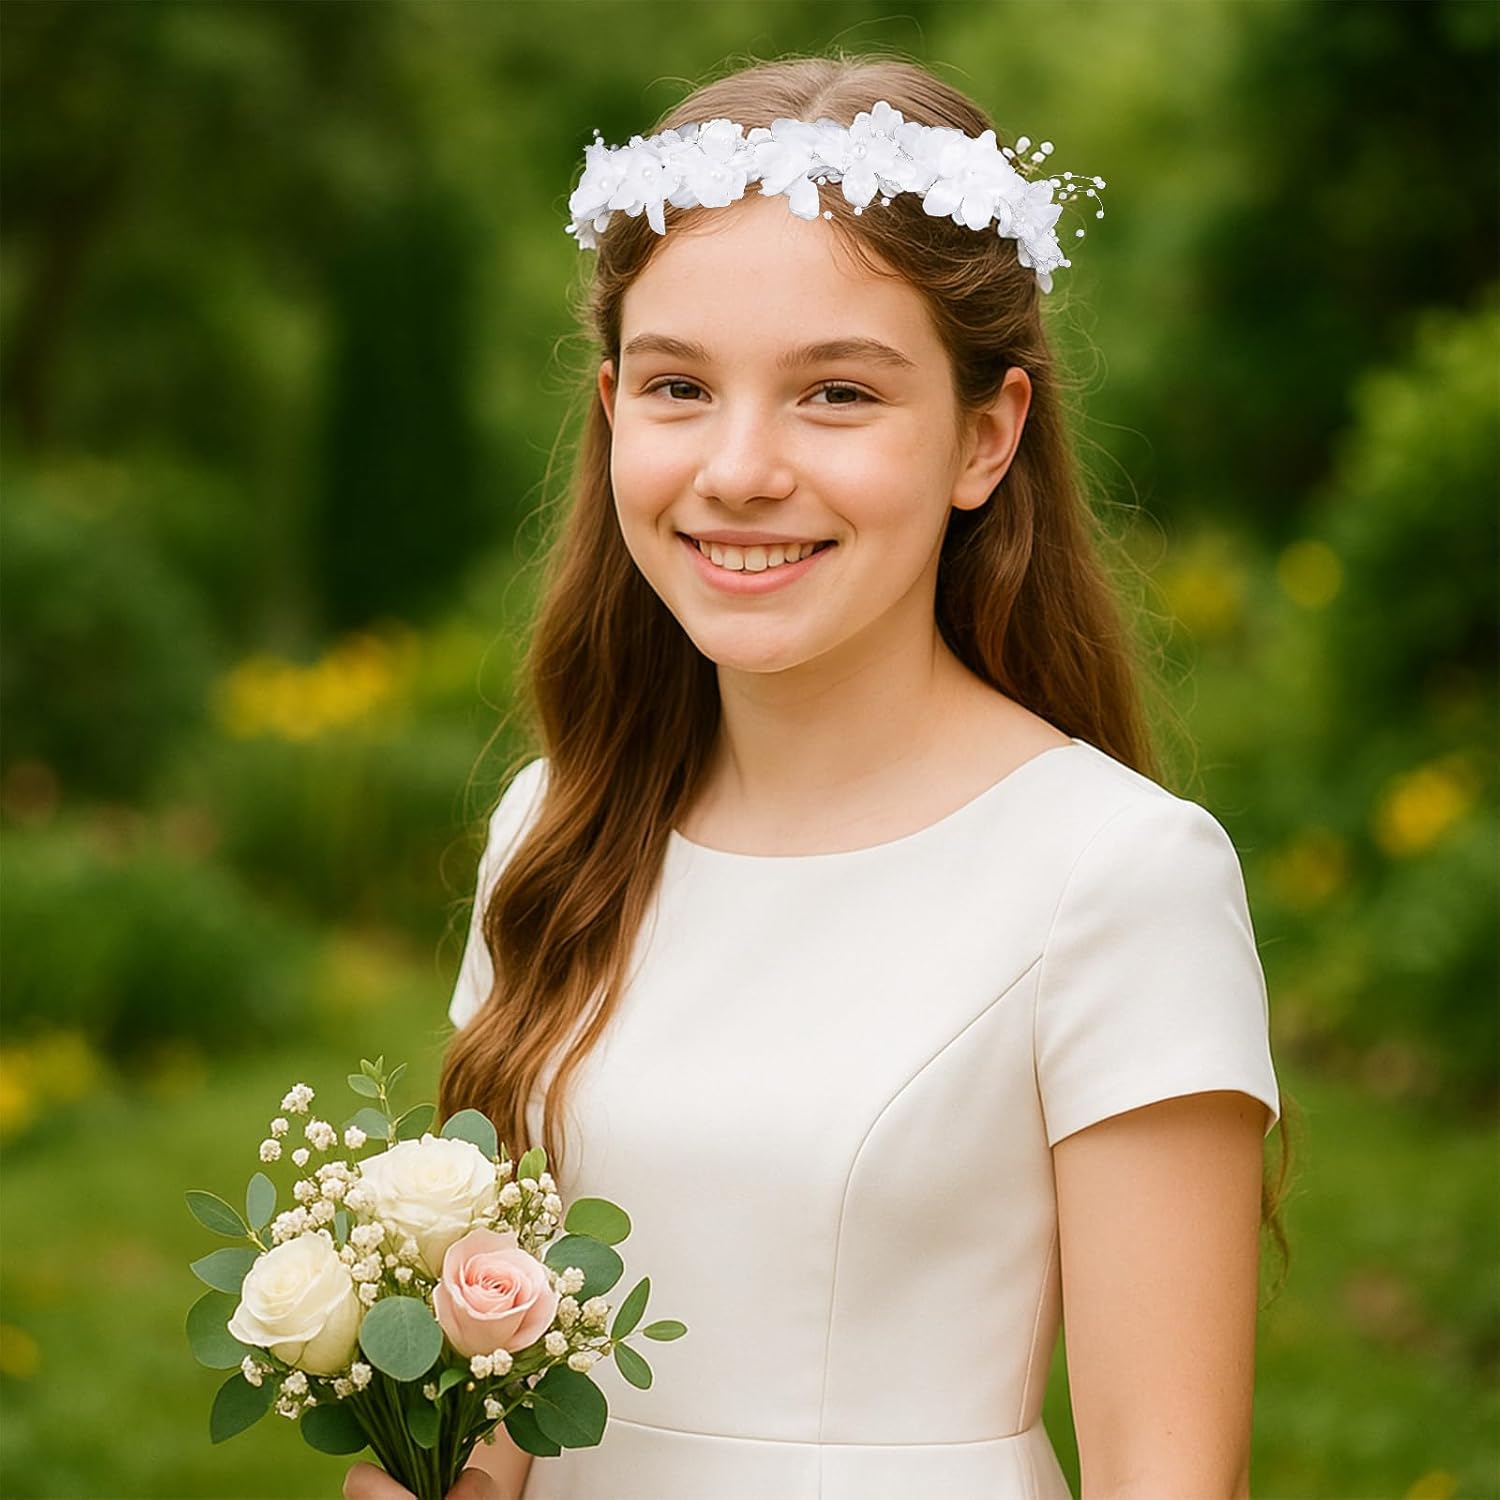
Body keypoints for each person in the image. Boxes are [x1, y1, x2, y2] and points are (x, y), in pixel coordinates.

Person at [347, 48, 1291, 1500]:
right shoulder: (557, 828)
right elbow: (469, 1435)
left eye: (836, 394)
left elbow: (1171, 1475)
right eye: (679, 387)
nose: (739, 467)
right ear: (610, 412)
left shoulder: (1118, 875)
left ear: (987, 435)